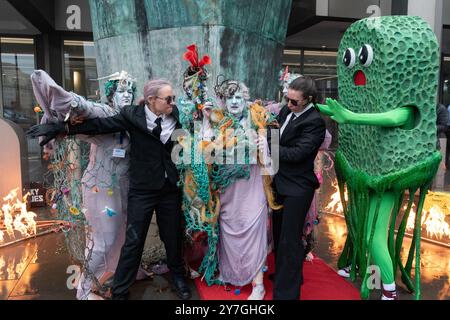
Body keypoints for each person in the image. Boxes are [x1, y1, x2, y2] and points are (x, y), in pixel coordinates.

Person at [27, 79, 191, 300]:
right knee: (133, 240)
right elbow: (100, 126)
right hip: (142, 190)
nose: (173, 102)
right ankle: (121, 290)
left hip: (169, 189)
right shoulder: (133, 116)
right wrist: (64, 128)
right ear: (152, 100)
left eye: (173, 98)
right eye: (168, 98)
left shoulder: (175, 114)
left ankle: (178, 276)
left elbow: (185, 139)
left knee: (172, 236)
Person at [210, 80, 278, 300]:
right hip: (228, 187)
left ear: (246, 99)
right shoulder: (217, 123)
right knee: (228, 228)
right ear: (224, 101)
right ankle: (230, 272)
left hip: (254, 185)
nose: (235, 102)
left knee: (254, 230)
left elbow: (274, 166)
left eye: (239, 97)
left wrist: (265, 148)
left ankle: (258, 284)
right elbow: (209, 158)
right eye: (230, 98)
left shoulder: (263, 121)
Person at [271, 76, 325, 300]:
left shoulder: (315, 122)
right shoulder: (286, 111)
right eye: (287, 99)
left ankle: (286, 293)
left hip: (298, 186)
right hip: (280, 182)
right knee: (278, 234)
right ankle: (285, 274)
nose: (289, 104)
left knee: (290, 239)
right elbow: (274, 132)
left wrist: (269, 146)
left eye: (294, 101)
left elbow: (297, 154)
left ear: (308, 100)